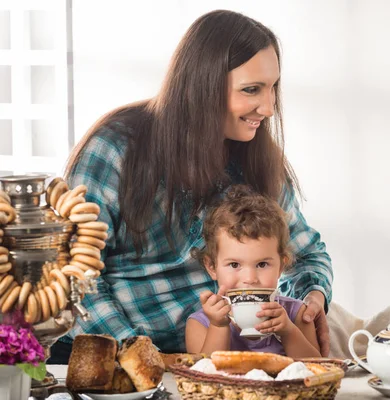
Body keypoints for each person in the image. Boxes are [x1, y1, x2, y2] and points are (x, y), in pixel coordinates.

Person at [48, 10, 332, 363]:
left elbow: (307, 254)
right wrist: (139, 355)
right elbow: (75, 273)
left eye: (273, 87)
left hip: (214, 356)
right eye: (251, 90)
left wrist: (312, 299)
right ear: (202, 87)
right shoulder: (116, 148)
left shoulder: (257, 159)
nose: (270, 107)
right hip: (113, 353)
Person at [185, 185, 321, 358]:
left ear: (280, 266)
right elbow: (203, 374)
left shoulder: (297, 314)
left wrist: (288, 331)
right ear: (212, 267)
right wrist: (218, 326)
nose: (249, 279)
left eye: (262, 264)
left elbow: (317, 366)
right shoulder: (200, 324)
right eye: (234, 265)